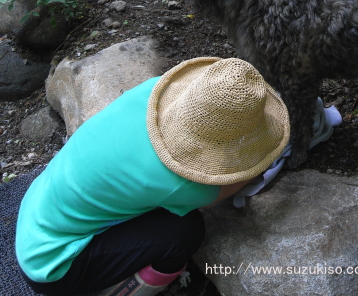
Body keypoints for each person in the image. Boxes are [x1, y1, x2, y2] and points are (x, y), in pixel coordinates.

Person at [15, 56, 290, 296]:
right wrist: (270, 150)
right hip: (52, 262)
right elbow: (239, 179)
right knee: (184, 232)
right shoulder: (183, 182)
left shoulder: (156, 91)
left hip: (38, 207)